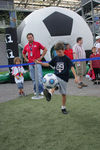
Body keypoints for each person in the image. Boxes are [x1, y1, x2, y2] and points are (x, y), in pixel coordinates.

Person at [35, 42, 78, 114]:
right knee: (54, 83)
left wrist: (75, 77)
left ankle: (63, 108)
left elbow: (72, 67)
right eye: (57, 52)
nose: (58, 53)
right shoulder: (55, 58)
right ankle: (49, 94)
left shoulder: (67, 58)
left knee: (63, 94)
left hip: (64, 78)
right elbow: (48, 64)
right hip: (56, 76)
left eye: (60, 52)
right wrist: (40, 63)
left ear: (63, 50)